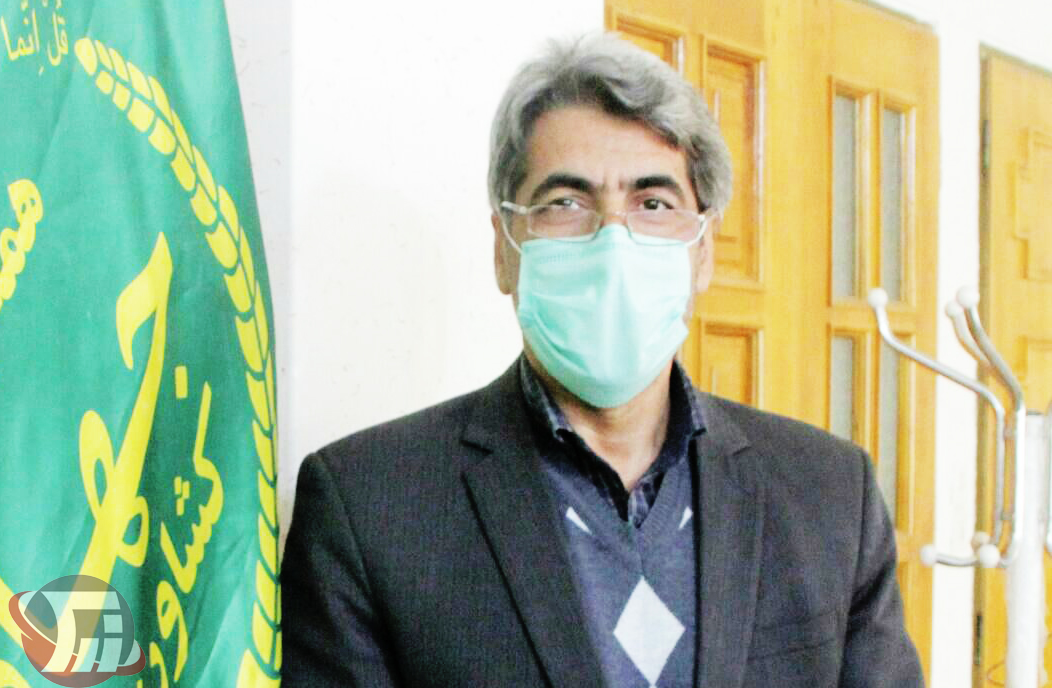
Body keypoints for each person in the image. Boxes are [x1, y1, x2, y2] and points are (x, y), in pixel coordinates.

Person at [281, 33, 923, 688]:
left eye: (653, 204)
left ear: (703, 252)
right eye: (566, 203)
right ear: (503, 248)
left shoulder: (830, 495)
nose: (613, 245)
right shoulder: (369, 507)